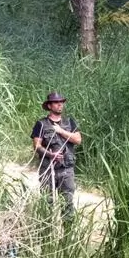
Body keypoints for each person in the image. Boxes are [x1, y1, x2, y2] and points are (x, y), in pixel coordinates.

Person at [31, 92, 82, 220]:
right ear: (49, 106)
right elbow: (37, 146)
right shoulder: (41, 124)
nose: (60, 104)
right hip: (48, 170)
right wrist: (50, 155)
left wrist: (61, 131)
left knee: (68, 204)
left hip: (66, 170)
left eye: (61, 102)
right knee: (47, 203)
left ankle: (67, 237)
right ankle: (47, 232)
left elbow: (78, 140)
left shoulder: (69, 122)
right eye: (56, 102)